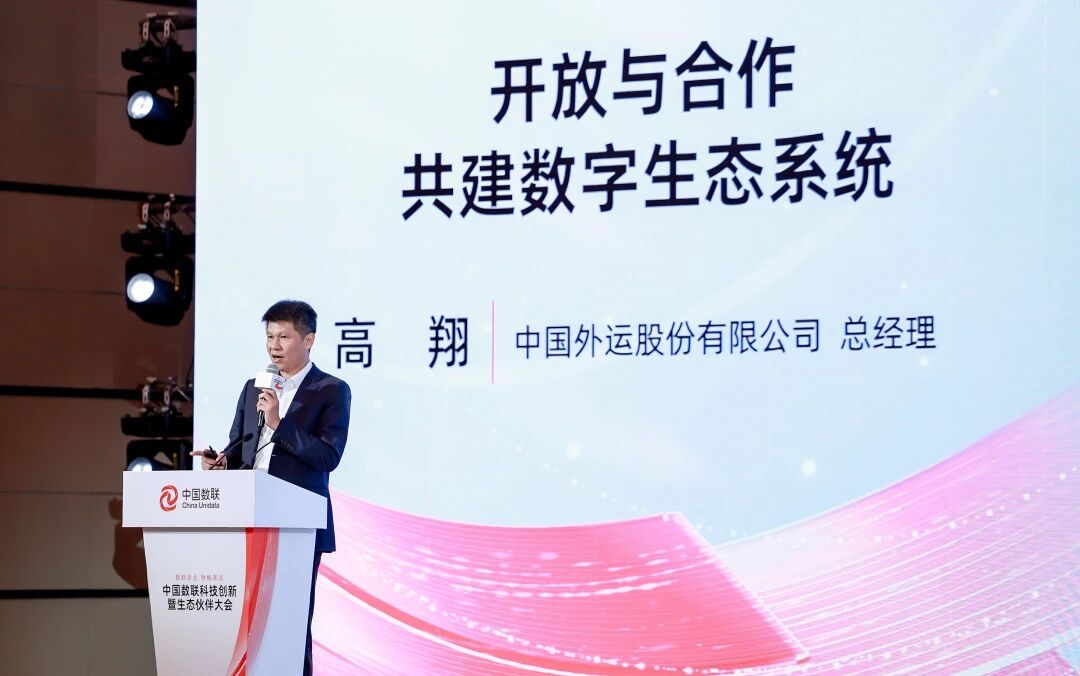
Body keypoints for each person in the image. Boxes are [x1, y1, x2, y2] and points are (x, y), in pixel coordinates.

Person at [193, 299, 350, 676]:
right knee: (247, 626)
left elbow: (328, 456)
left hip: (297, 527)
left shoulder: (331, 390)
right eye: (269, 337)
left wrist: (280, 423)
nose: (274, 346)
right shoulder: (254, 388)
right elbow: (241, 448)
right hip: (249, 520)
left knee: (290, 627)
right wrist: (222, 463)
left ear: (308, 340)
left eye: (283, 337)